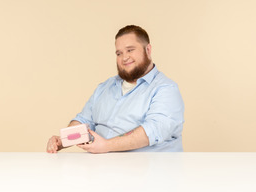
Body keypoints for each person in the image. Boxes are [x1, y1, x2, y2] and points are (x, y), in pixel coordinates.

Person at [46, 25, 184, 154]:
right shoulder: (105, 87)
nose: (124, 58)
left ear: (148, 50)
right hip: (102, 170)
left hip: (149, 173)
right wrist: (63, 140)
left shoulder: (166, 89)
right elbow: (84, 120)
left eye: (130, 50)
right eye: (119, 53)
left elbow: (154, 130)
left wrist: (106, 145)